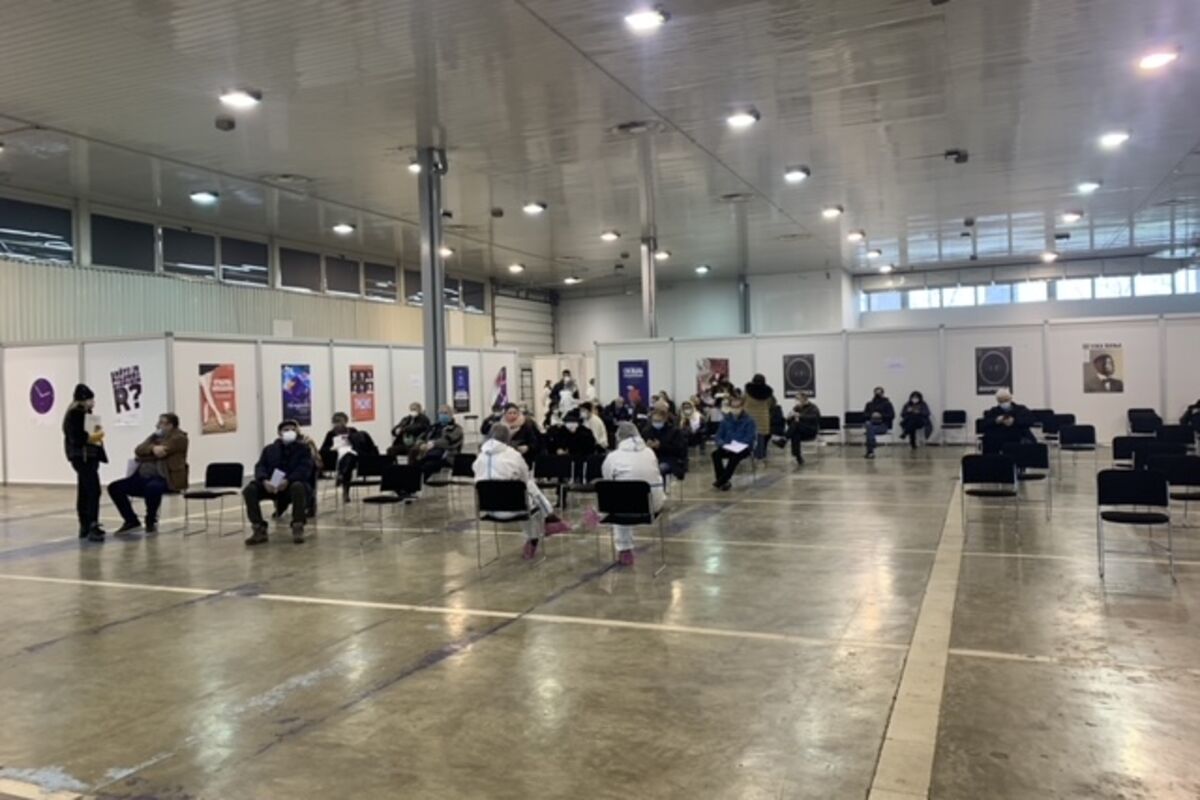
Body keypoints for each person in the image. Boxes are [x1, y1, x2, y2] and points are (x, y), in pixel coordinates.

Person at [473, 424, 569, 560]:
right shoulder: (513, 455)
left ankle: (543, 527)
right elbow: (524, 477)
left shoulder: (480, 457)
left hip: (488, 509)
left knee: (521, 494)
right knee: (528, 488)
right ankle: (549, 518)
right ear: (508, 438)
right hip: (515, 508)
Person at [108, 413, 189, 534]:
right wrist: (152, 449)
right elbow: (138, 450)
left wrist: (147, 454)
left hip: (165, 478)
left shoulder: (179, 438)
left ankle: (150, 519)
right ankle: (131, 520)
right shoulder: (154, 437)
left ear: (170, 425)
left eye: (161, 423)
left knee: (153, 487)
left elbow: (161, 452)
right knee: (115, 487)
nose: (157, 425)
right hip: (142, 476)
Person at [602, 422, 666, 566]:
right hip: (652, 506)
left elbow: (607, 480)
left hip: (625, 510)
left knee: (619, 498)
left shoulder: (613, 457)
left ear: (619, 437)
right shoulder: (650, 453)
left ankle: (624, 549)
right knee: (627, 496)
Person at [243, 420, 315, 545]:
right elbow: (260, 466)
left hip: (292, 484)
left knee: (298, 487)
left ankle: (298, 526)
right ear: (279, 433)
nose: (290, 432)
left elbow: (304, 469)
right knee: (250, 489)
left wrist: (288, 480)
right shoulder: (269, 450)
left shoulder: (304, 449)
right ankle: (258, 528)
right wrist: (264, 480)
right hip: (271, 485)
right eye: (286, 430)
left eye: (293, 430)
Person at [62, 384, 108, 542]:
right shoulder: (75, 415)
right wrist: (94, 437)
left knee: (85, 490)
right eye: (90, 399)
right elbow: (77, 437)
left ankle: (86, 525)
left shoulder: (86, 414)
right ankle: (91, 524)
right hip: (82, 457)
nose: (93, 402)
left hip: (88, 457)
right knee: (93, 490)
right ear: (83, 400)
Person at [319, 412, 379, 502]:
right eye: (335, 422)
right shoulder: (330, 434)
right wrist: (332, 448)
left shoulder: (352, 431)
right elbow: (323, 449)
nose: (337, 424)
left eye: (339, 421)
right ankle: (343, 477)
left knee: (349, 459)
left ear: (345, 421)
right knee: (347, 461)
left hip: (351, 455)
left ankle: (343, 480)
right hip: (336, 457)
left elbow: (359, 443)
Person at [710, 397, 757, 491]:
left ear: (742, 407)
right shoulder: (725, 420)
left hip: (743, 447)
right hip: (727, 446)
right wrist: (723, 444)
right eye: (733, 406)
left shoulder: (749, 421)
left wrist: (738, 444)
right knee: (715, 454)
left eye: (737, 406)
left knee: (735, 457)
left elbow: (750, 437)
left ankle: (722, 480)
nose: (735, 409)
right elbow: (718, 436)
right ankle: (723, 481)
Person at [408, 405, 464, 480]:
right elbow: (422, 437)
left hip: (446, 456)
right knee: (415, 465)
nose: (442, 415)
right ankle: (411, 483)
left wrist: (433, 444)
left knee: (427, 467)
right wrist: (421, 444)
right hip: (428, 454)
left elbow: (447, 442)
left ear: (451, 414)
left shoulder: (456, 429)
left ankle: (418, 483)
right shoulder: (434, 427)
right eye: (441, 413)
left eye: (445, 413)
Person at [981, 389, 1035, 454]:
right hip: (999, 439)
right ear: (998, 401)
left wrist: (1015, 421)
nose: (1004, 402)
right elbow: (984, 424)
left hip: (1018, 437)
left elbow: (1031, 420)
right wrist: (996, 420)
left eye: (1006, 400)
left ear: (1010, 398)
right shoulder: (993, 411)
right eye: (1001, 401)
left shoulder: (1021, 409)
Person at [642, 407, 688, 479]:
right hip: (651, 458)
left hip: (669, 459)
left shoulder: (674, 431)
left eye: (659, 421)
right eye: (654, 421)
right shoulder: (647, 431)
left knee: (660, 468)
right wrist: (646, 446)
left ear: (665, 420)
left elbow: (679, 450)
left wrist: (661, 446)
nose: (656, 423)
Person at [741, 374, 777, 460]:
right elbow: (772, 403)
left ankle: (747, 455)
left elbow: (742, 401)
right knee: (760, 438)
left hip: (749, 418)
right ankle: (759, 456)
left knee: (748, 437)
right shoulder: (768, 393)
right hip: (762, 418)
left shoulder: (747, 391)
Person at [786, 393, 821, 465]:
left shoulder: (813, 407)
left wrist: (800, 415)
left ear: (804, 399)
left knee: (796, 425)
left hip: (810, 430)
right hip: (800, 430)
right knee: (795, 434)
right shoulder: (796, 408)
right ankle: (798, 457)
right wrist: (789, 418)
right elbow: (790, 424)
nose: (796, 401)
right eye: (796, 399)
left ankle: (784, 439)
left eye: (798, 399)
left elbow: (814, 418)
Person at [863, 386, 896, 459]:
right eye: (876, 392)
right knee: (869, 426)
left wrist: (881, 415)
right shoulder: (869, 404)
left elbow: (892, 415)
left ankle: (870, 451)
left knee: (869, 430)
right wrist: (872, 415)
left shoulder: (888, 404)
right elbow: (864, 415)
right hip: (872, 424)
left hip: (883, 425)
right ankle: (872, 447)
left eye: (879, 393)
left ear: (883, 393)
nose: (878, 394)